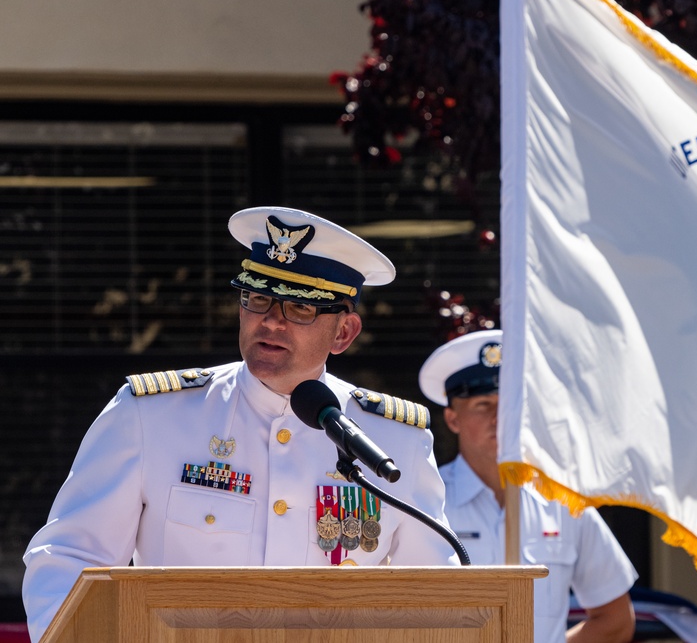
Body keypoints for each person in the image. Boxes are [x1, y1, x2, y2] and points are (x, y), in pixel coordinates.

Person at [22, 206, 458, 641]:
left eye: (300, 308)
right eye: (258, 298)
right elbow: (69, 560)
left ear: (343, 333)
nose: (270, 320)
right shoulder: (151, 415)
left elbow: (438, 599)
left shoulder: (395, 441)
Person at [419, 329, 638, 643]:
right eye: (483, 405)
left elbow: (615, 619)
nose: (499, 418)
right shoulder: (427, 499)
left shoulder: (563, 501)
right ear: (453, 420)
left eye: (507, 405)